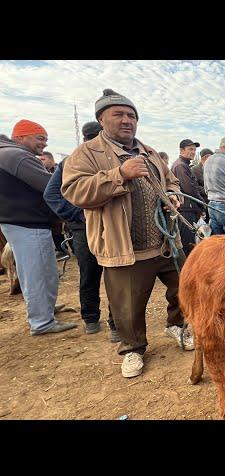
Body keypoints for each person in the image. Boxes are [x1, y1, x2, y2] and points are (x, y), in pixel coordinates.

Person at [62, 89, 193, 379]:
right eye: (118, 114)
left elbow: (170, 180)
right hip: (125, 248)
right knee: (127, 304)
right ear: (101, 119)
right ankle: (132, 348)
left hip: (165, 242)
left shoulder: (148, 151)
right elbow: (74, 191)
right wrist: (119, 174)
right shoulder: (85, 154)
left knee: (183, 288)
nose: (126, 121)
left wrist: (173, 194)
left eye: (131, 115)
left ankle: (177, 325)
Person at [0, 119, 77, 336]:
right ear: (21, 136)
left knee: (45, 269)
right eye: (39, 138)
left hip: (22, 221)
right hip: (27, 222)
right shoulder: (17, 156)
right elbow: (51, 185)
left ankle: (45, 309)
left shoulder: (9, 154)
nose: (43, 144)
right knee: (36, 272)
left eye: (45, 139)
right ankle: (42, 322)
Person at [44, 121, 119, 340]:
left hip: (110, 227)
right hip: (86, 229)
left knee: (112, 274)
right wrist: (81, 215)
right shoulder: (72, 161)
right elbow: (52, 195)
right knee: (95, 274)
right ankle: (94, 319)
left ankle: (108, 322)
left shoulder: (109, 158)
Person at [171, 139, 206, 257]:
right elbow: (189, 189)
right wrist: (203, 204)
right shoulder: (180, 166)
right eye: (190, 149)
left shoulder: (183, 165)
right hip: (186, 210)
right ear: (182, 150)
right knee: (187, 244)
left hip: (188, 209)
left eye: (195, 150)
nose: (193, 152)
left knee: (190, 242)